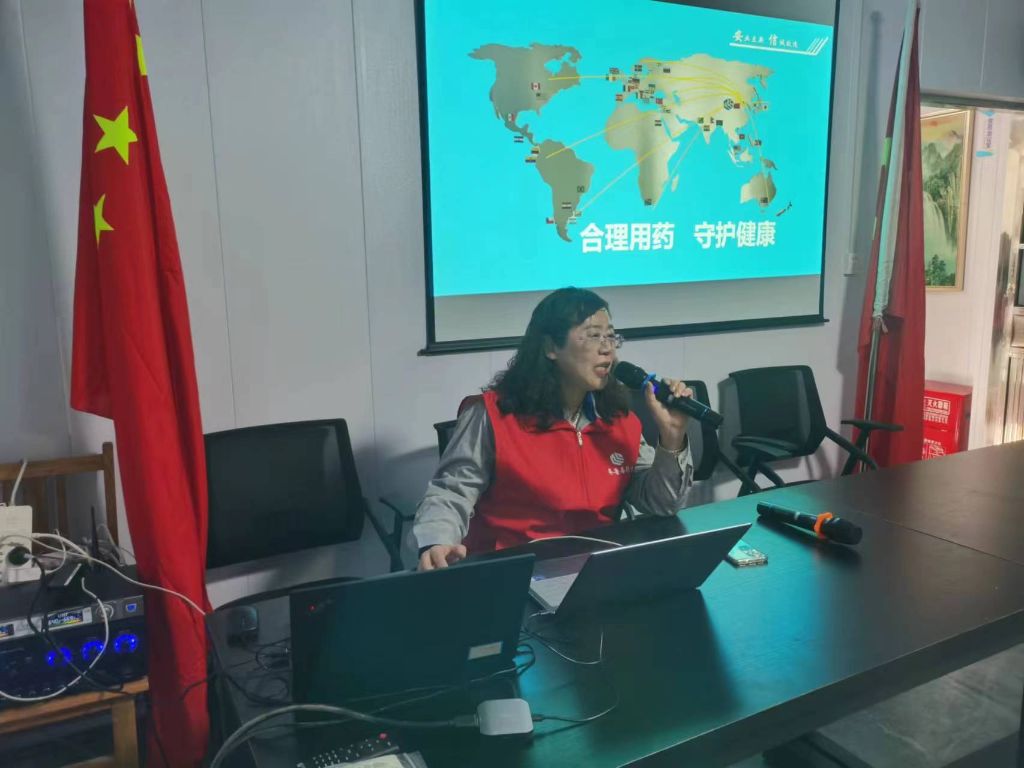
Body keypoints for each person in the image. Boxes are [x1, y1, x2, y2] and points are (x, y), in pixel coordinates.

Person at [413, 287, 694, 570]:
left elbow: (662, 504)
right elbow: (451, 492)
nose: (607, 348)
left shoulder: (619, 420)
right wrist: (437, 542)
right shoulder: (492, 415)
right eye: (593, 335)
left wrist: (672, 439)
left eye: (611, 336)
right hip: (514, 570)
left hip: (596, 569)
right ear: (550, 347)